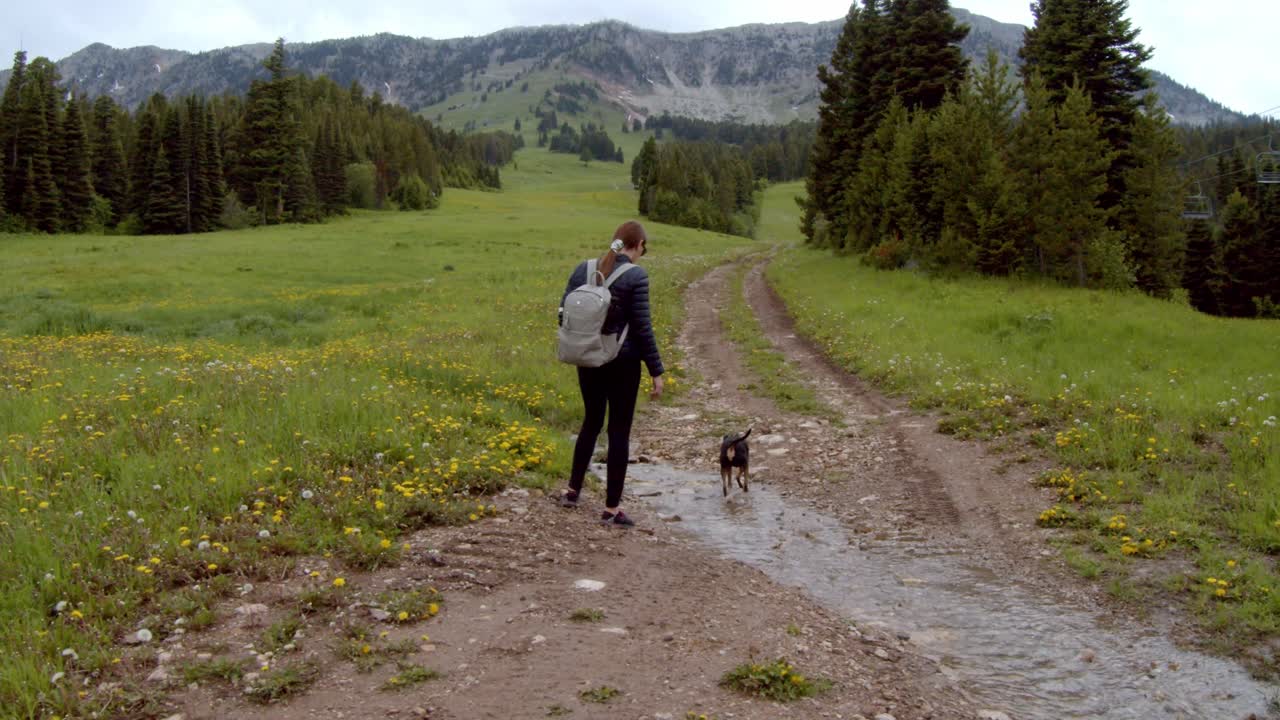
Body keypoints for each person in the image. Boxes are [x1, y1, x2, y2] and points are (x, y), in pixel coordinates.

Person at [558, 220, 664, 526]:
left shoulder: (584, 268)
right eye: (644, 248)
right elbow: (643, 329)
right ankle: (611, 509)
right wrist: (656, 371)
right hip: (622, 362)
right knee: (618, 431)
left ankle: (572, 491)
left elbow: (563, 312)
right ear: (638, 245)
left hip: (587, 358)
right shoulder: (636, 275)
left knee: (591, 421)